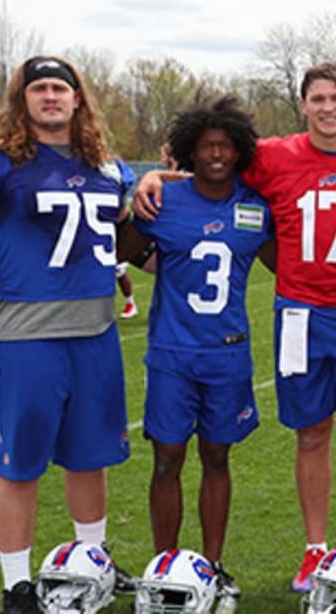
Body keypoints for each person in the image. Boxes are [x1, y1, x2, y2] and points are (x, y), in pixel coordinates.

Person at [133, 63, 336, 592]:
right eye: (317, 98)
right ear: (304, 105)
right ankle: (314, 551)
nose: (327, 107)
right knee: (311, 435)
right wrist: (160, 176)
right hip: (297, 314)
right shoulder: (275, 155)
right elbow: (214, 169)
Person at [0, 56, 135, 614]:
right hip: (25, 340)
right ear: (22, 99)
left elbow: (128, 236)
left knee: (88, 458)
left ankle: (93, 563)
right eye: (39, 88)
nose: (51, 97)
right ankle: (17, 586)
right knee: (18, 464)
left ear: (77, 100)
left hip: (96, 334)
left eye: (60, 88)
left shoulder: (109, 168)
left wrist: (162, 179)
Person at [117, 96, 277, 605]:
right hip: (172, 351)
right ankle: (165, 565)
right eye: (206, 146)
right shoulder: (163, 200)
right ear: (189, 150)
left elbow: (286, 265)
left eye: (225, 146)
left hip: (227, 352)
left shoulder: (255, 206)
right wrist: (146, 185)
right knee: (167, 458)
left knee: (216, 456)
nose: (216, 155)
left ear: (239, 150)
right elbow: (119, 248)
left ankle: (212, 564)